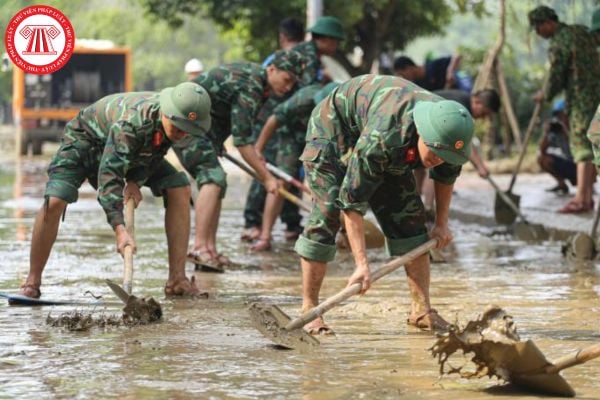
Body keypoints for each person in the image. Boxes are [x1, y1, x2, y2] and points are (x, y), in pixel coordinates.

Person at [294, 75, 474, 334]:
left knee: (410, 220)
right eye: (433, 152)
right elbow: (352, 201)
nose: (437, 160)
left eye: (444, 156)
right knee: (328, 212)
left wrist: (441, 225)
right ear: (422, 132)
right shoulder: (384, 137)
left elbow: (445, 177)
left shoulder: (451, 136)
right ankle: (309, 309)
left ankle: (421, 310)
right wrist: (362, 264)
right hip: (333, 130)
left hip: (389, 138)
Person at [17, 82, 211, 299]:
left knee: (179, 186)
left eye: (187, 130)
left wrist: (136, 180)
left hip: (127, 151)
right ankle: (32, 281)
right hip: (86, 141)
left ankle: (177, 279)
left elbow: (154, 151)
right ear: (167, 113)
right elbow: (109, 176)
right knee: (55, 200)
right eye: (177, 127)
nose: (181, 134)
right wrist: (120, 230)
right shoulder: (133, 123)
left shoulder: (174, 122)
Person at [176, 50, 304, 268]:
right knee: (213, 178)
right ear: (272, 70)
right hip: (184, 126)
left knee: (218, 180)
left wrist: (255, 157)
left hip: (204, 133)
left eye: (293, 83)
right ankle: (199, 248)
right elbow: (242, 143)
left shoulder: (260, 86)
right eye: (286, 80)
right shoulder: (252, 85)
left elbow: (237, 128)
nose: (288, 87)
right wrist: (267, 179)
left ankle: (210, 250)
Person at [251, 82, 339, 251]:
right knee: (283, 180)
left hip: (319, 139)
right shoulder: (304, 99)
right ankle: (265, 235)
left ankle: (335, 233)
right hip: (291, 136)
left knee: (330, 182)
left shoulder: (345, 107)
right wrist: (258, 149)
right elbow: (273, 119)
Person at [529, 5, 600, 213]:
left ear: (548, 23)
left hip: (582, 99)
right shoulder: (581, 31)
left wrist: (545, 94)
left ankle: (581, 199)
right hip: (597, 96)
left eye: (537, 27)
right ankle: (585, 197)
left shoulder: (560, 43)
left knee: (582, 144)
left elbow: (556, 77)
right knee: (592, 141)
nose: (537, 33)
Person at [241, 17, 305, 243]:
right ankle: (258, 225)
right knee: (266, 171)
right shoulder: (274, 65)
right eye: (286, 80)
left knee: (279, 174)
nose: (287, 85)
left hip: (286, 127)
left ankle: (279, 224)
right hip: (271, 122)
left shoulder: (299, 62)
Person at [415, 89, 500, 215]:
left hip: (421, 124)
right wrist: (480, 166)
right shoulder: (459, 109)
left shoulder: (461, 100)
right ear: (477, 102)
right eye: (483, 114)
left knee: (422, 164)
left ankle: (416, 204)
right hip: (420, 121)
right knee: (436, 162)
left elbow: (465, 143)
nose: (482, 118)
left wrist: (480, 165)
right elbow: (464, 144)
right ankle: (427, 208)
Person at [293, 16, 345, 86]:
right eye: (336, 42)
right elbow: (308, 87)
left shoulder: (313, 53)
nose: (337, 46)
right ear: (325, 39)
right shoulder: (308, 55)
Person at [538, 99, 576, 194]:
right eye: (557, 115)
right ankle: (562, 185)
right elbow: (542, 150)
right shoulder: (557, 129)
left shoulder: (578, 124)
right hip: (569, 164)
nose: (560, 118)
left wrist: (566, 132)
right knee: (542, 159)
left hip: (582, 165)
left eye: (562, 114)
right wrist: (546, 132)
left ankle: (588, 185)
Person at [393, 55, 466, 92]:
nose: (404, 77)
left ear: (408, 68)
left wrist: (450, 71)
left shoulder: (433, 66)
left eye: (403, 74)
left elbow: (457, 56)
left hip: (460, 89)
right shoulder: (418, 86)